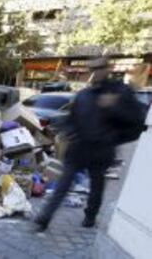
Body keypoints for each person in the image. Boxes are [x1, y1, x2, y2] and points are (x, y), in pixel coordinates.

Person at [34, 57, 146, 231]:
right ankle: (45, 217)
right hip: (78, 148)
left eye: (100, 68)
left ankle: (90, 216)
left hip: (101, 150)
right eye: (92, 68)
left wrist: (113, 108)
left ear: (108, 69)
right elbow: (70, 118)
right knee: (64, 183)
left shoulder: (120, 93)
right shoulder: (84, 95)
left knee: (97, 186)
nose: (95, 72)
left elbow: (136, 122)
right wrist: (69, 132)